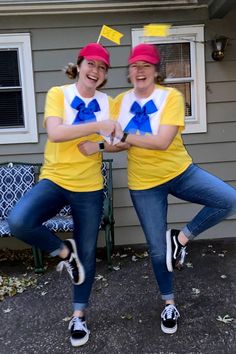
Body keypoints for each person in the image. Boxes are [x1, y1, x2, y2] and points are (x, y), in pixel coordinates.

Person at [79, 43, 236, 335]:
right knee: (156, 249)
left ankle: (182, 238)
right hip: (144, 183)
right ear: (128, 72)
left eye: (146, 65)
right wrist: (98, 145)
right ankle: (169, 303)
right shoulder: (119, 103)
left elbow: (162, 141)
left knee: (228, 200)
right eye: (135, 65)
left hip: (180, 172)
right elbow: (119, 142)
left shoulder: (171, 98)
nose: (140, 71)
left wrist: (124, 134)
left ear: (155, 71)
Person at [8, 42, 116, 347]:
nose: (95, 71)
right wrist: (97, 125)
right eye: (91, 64)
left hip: (90, 186)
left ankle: (79, 318)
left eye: (102, 67)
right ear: (79, 65)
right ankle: (63, 253)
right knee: (19, 221)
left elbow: (121, 140)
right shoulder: (60, 94)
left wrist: (100, 144)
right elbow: (55, 132)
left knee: (88, 254)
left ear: (105, 75)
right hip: (55, 179)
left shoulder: (109, 102)